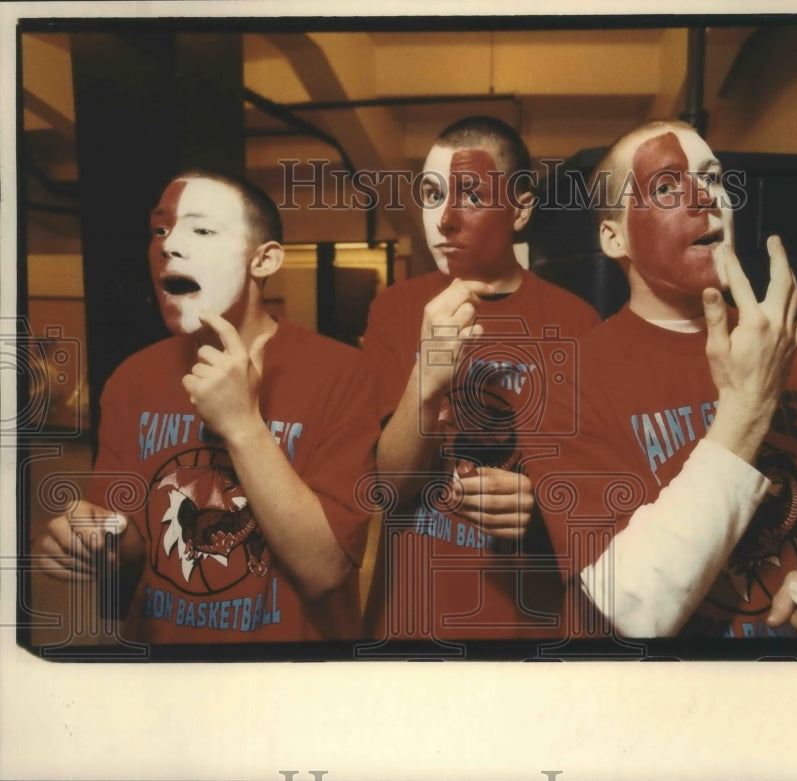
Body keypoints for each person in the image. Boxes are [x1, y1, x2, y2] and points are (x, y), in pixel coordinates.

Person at [529, 120, 797, 639]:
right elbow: (634, 607)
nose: (704, 197)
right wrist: (749, 406)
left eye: (714, 179)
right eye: (665, 186)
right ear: (613, 236)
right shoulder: (563, 385)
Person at [34, 170, 380, 643]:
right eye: (160, 230)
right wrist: (90, 541)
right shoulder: (132, 378)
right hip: (163, 663)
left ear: (264, 260)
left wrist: (242, 423)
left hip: (293, 675)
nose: (169, 245)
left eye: (200, 229)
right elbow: (132, 537)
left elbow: (324, 570)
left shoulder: (342, 372)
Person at [362, 116, 600, 641]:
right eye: (431, 193)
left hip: (527, 625)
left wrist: (541, 506)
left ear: (519, 208)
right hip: (411, 623)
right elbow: (389, 491)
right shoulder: (396, 309)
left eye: (469, 194)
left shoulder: (577, 322)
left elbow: (598, 499)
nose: (443, 219)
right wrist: (426, 379)